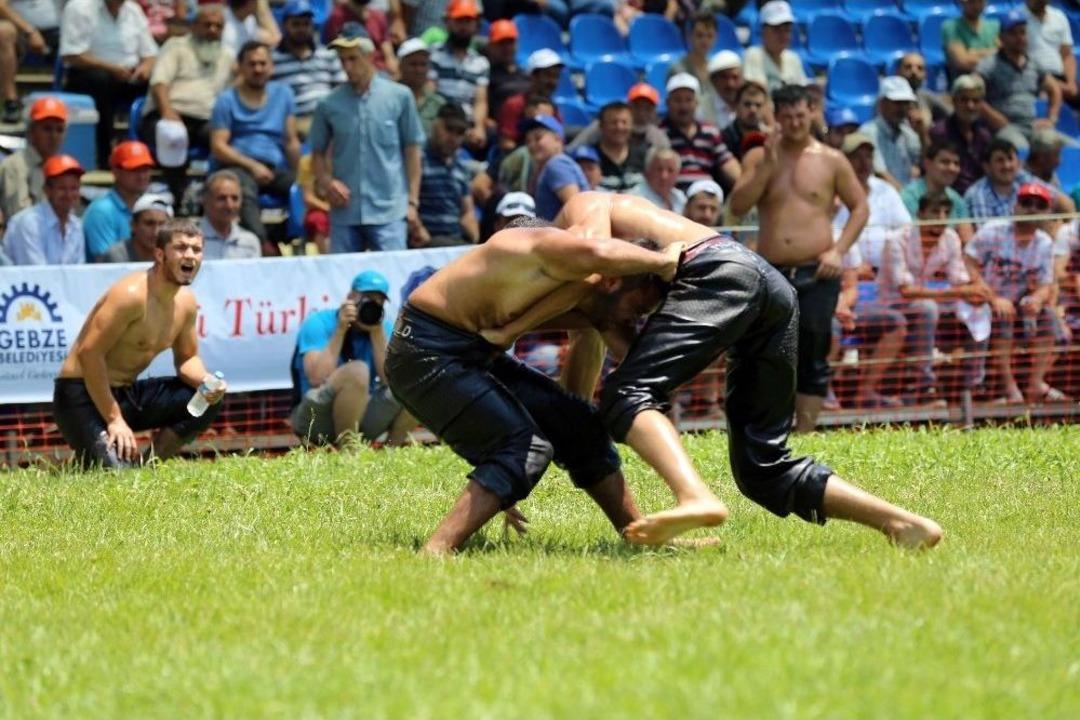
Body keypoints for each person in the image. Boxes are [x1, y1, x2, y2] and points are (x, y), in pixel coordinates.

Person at [536, 191, 942, 549]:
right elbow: (583, 375)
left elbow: (591, 253)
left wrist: (520, 317)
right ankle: (903, 523)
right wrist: (560, 441)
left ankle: (695, 497)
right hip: (770, 287)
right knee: (761, 470)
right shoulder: (598, 295)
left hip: (715, 270)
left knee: (625, 394)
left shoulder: (581, 209)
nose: (638, 317)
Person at [385, 218, 682, 555]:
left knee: (580, 425)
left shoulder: (585, 293)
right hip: (424, 352)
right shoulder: (549, 247)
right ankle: (436, 550)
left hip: (470, 353)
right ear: (613, 280)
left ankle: (640, 537)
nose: (636, 319)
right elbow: (600, 249)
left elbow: (631, 354)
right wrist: (664, 260)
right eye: (639, 309)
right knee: (524, 446)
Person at [729, 84, 869, 433]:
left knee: (813, 353)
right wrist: (767, 166)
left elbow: (860, 208)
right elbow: (737, 206)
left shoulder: (831, 159)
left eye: (800, 115)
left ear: (812, 113)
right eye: (787, 116)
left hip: (817, 270)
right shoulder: (759, 157)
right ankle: (766, 427)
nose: (794, 123)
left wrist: (838, 250)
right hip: (772, 270)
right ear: (776, 117)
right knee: (767, 352)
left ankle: (805, 433)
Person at [52, 218, 226, 468]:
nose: (189, 256)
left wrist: (207, 382)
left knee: (207, 399)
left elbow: (187, 360)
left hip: (126, 393)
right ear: (159, 254)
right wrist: (114, 420)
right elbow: (89, 354)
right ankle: (100, 450)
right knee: (115, 475)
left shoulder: (186, 304)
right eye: (180, 248)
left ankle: (149, 465)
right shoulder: (131, 295)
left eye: (196, 249)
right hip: (79, 395)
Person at [313, 24, 423, 253]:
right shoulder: (328, 104)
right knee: (343, 284)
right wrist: (326, 182)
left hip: (390, 210)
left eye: (353, 58)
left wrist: (412, 202)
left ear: (369, 56)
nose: (347, 66)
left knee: (393, 279)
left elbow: (412, 151)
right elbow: (317, 153)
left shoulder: (400, 97)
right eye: (343, 60)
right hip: (345, 212)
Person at [964, 183, 1068, 404]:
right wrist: (992, 298)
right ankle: (1009, 387)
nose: (1032, 209)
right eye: (1026, 203)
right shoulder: (993, 230)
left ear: (1047, 213)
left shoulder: (1045, 243)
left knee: (1049, 318)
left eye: (1039, 205)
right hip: (985, 301)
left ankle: (1035, 384)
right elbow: (969, 262)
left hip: (1020, 303)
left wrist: (1037, 300)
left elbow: (1045, 284)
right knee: (1004, 318)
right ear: (1015, 207)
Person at [290, 270, 414, 447]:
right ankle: (349, 452)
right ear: (350, 297)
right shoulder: (318, 322)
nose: (372, 305)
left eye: (378, 301)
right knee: (357, 371)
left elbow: (391, 380)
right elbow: (316, 377)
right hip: (315, 418)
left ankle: (391, 452)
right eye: (367, 299)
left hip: (360, 414)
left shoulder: (381, 327)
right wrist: (340, 329)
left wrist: (377, 333)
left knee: (412, 384)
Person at [140, 3, 234, 204]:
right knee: (173, 134)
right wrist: (167, 111)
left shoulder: (226, 56)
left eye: (218, 26)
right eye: (207, 25)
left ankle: (213, 197)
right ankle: (179, 195)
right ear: (194, 26)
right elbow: (159, 82)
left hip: (204, 120)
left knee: (229, 139)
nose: (212, 30)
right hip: (167, 114)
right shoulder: (176, 46)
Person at [210, 40, 300, 245]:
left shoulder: (284, 94)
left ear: (271, 67)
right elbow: (218, 146)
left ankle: (291, 238)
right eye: (251, 64)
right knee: (242, 192)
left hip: (274, 168)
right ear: (240, 67)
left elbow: (291, 141)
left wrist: (302, 175)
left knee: (304, 189)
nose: (257, 69)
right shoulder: (226, 100)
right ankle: (261, 245)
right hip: (238, 166)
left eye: (262, 63)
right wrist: (252, 166)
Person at [60, 0, 158, 167]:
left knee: (161, 83)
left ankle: (152, 152)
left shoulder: (133, 10)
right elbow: (72, 55)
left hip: (129, 75)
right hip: (89, 73)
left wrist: (145, 68)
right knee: (100, 81)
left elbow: (151, 53)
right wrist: (111, 69)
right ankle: (104, 155)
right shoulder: (79, 7)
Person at [976, 9, 1061, 151]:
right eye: (1013, 34)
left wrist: (1051, 119)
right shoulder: (989, 64)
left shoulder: (1034, 63)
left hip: (1033, 126)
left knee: (1065, 147)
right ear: (1001, 38)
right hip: (1007, 128)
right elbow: (973, 90)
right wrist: (993, 117)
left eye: (1022, 32)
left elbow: (1055, 89)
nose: (1019, 38)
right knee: (1020, 149)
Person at [271, 0, 347, 133]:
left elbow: (342, 90)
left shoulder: (328, 55)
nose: (302, 29)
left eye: (306, 24)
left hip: (327, 120)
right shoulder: (273, 59)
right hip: (292, 125)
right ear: (284, 26)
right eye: (296, 24)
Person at [661, 73, 740, 193]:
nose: (684, 106)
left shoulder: (710, 132)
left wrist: (745, 185)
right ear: (668, 103)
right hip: (673, 198)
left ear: (697, 103)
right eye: (677, 100)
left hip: (706, 198)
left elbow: (727, 164)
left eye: (688, 100)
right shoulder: (660, 134)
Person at [413, 103, 478, 247]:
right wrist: (418, 230)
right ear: (435, 125)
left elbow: (467, 211)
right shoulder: (417, 160)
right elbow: (406, 203)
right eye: (449, 129)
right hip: (423, 242)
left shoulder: (461, 167)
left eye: (460, 132)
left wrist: (474, 239)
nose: (453, 137)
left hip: (454, 242)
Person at [964, 138, 1072, 223]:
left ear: (1019, 163)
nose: (1007, 166)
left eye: (1010, 159)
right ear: (987, 167)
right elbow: (985, 240)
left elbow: (1064, 203)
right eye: (1000, 160)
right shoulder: (977, 194)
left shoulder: (1021, 177)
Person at [1, 154, 84, 265]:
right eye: (62, 188)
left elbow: (78, 273)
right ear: (47, 190)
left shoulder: (76, 226)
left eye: (74, 188)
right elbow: (36, 275)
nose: (69, 195)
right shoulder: (29, 223)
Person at [429, 0, 489, 152]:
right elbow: (430, 94)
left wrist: (478, 127)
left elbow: (480, 101)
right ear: (448, 22)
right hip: (441, 120)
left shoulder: (481, 63)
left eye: (468, 21)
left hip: (466, 126)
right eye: (459, 21)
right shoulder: (434, 55)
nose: (463, 27)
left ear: (476, 25)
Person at [83, 141, 156, 262]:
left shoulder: (150, 208)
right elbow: (107, 264)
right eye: (134, 169)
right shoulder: (101, 211)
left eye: (145, 169)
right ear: (116, 172)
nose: (142, 175)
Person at [0, 96, 65, 223]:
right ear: (31, 131)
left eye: (59, 130)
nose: (54, 136)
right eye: (47, 129)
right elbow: (19, 219)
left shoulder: (61, 167)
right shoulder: (15, 166)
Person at [929, 74, 995, 194]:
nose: (970, 106)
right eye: (964, 100)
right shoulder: (939, 132)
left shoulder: (984, 135)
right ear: (954, 101)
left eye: (975, 101)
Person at [900, 140, 974, 244]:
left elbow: (968, 239)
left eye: (956, 163)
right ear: (927, 164)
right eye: (945, 162)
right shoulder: (908, 197)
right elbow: (911, 236)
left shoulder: (956, 199)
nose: (952, 168)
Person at [567, 83, 670, 155]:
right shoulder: (605, 126)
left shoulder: (658, 139)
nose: (641, 112)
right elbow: (574, 150)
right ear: (628, 107)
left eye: (647, 108)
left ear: (654, 112)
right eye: (637, 106)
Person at [859, 76, 923, 190]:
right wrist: (907, 199)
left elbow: (919, 166)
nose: (902, 109)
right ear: (882, 104)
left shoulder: (909, 134)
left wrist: (922, 131)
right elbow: (880, 173)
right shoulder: (868, 133)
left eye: (906, 103)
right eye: (897, 103)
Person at [0, 0, 59, 122]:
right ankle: (11, 102)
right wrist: (29, 31)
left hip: (59, 29)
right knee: (3, 32)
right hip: (21, 30)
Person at [496, 48, 564, 151]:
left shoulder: (554, 109)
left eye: (556, 77)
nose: (553, 82)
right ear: (533, 76)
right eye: (548, 75)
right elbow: (506, 143)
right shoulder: (514, 104)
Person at [524, 115, 589, 220]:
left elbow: (575, 209)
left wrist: (552, 231)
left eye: (538, 138)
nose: (531, 145)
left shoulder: (556, 164)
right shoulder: (549, 166)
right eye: (528, 141)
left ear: (557, 139)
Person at [742, 1, 806, 94]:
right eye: (776, 29)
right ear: (763, 31)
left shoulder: (793, 58)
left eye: (787, 30)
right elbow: (757, 95)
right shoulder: (753, 56)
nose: (783, 35)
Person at [198, 170, 262, 259]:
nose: (229, 205)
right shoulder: (190, 242)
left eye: (235, 198)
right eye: (221, 198)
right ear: (205, 200)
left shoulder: (249, 243)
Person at [321, 0, 396, 75]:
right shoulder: (336, 16)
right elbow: (333, 49)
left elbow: (386, 46)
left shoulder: (378, 16)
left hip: (380, 70)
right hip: (349, 71)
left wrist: (391, 63)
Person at [1024, 0, 1077, 105]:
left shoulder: (1059, 17)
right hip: (1031, 79)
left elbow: (1067, 55)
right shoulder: (1017, 19)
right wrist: (1050, 84)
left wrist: (1071, 83)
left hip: (1060, 78)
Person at [667, 11, 720, 115]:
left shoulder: (717, 69)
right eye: (699, 35)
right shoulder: (677, 69)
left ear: (716, 38)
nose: (704, 41)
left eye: (709, 36)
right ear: (689, 36)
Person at [98, 193, 173, 263]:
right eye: (149, 223)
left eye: (162, 224)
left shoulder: (173, 255)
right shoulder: (116, 257)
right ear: (133, 225)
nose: (156, 232)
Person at [396, 38, 445, 136]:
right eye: (413, 64)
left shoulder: (438, 104)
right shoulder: (388, 99)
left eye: (423, 64)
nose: (419, 70)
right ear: (401, 66)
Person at [594, 101, 646, 193]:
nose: (619, 127)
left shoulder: (644, 155)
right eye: (613, 122)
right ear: (601, 126)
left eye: (624, 122)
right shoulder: (590, 158)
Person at [943, 0, 1000, 79]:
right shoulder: (951, 27)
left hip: (993, 81)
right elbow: (963, 62)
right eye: (971, 2)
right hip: (965, 82)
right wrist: (991, 53)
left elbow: (1002, 58)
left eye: (980, 1)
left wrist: (973, 53)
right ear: (962, 3)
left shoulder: (995, 26)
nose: (976, 5)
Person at [485, 19, 528, 120]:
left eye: (510, 42)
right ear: (491, 46)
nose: (507, 48)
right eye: (501, 43)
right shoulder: (486, 74)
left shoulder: (525, 74)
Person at [720, 81, 768, 163]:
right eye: (747, 104)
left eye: (758, 105)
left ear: (765, 108)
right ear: (736, 105)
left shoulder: (769, 139)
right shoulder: (722, 140)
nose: (753, 110)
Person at [629, 147, 685, 213]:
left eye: (670, 170)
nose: (664, 176)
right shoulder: (635, 198)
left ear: (677, 174)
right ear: (647, 172)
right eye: (659, 169)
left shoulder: (680, 198)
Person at [704, 49, 742, 130]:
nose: (730, 84)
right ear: (713, 81)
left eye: (735, 77)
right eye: (724, 78)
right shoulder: (703, 110)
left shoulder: (751, 104)